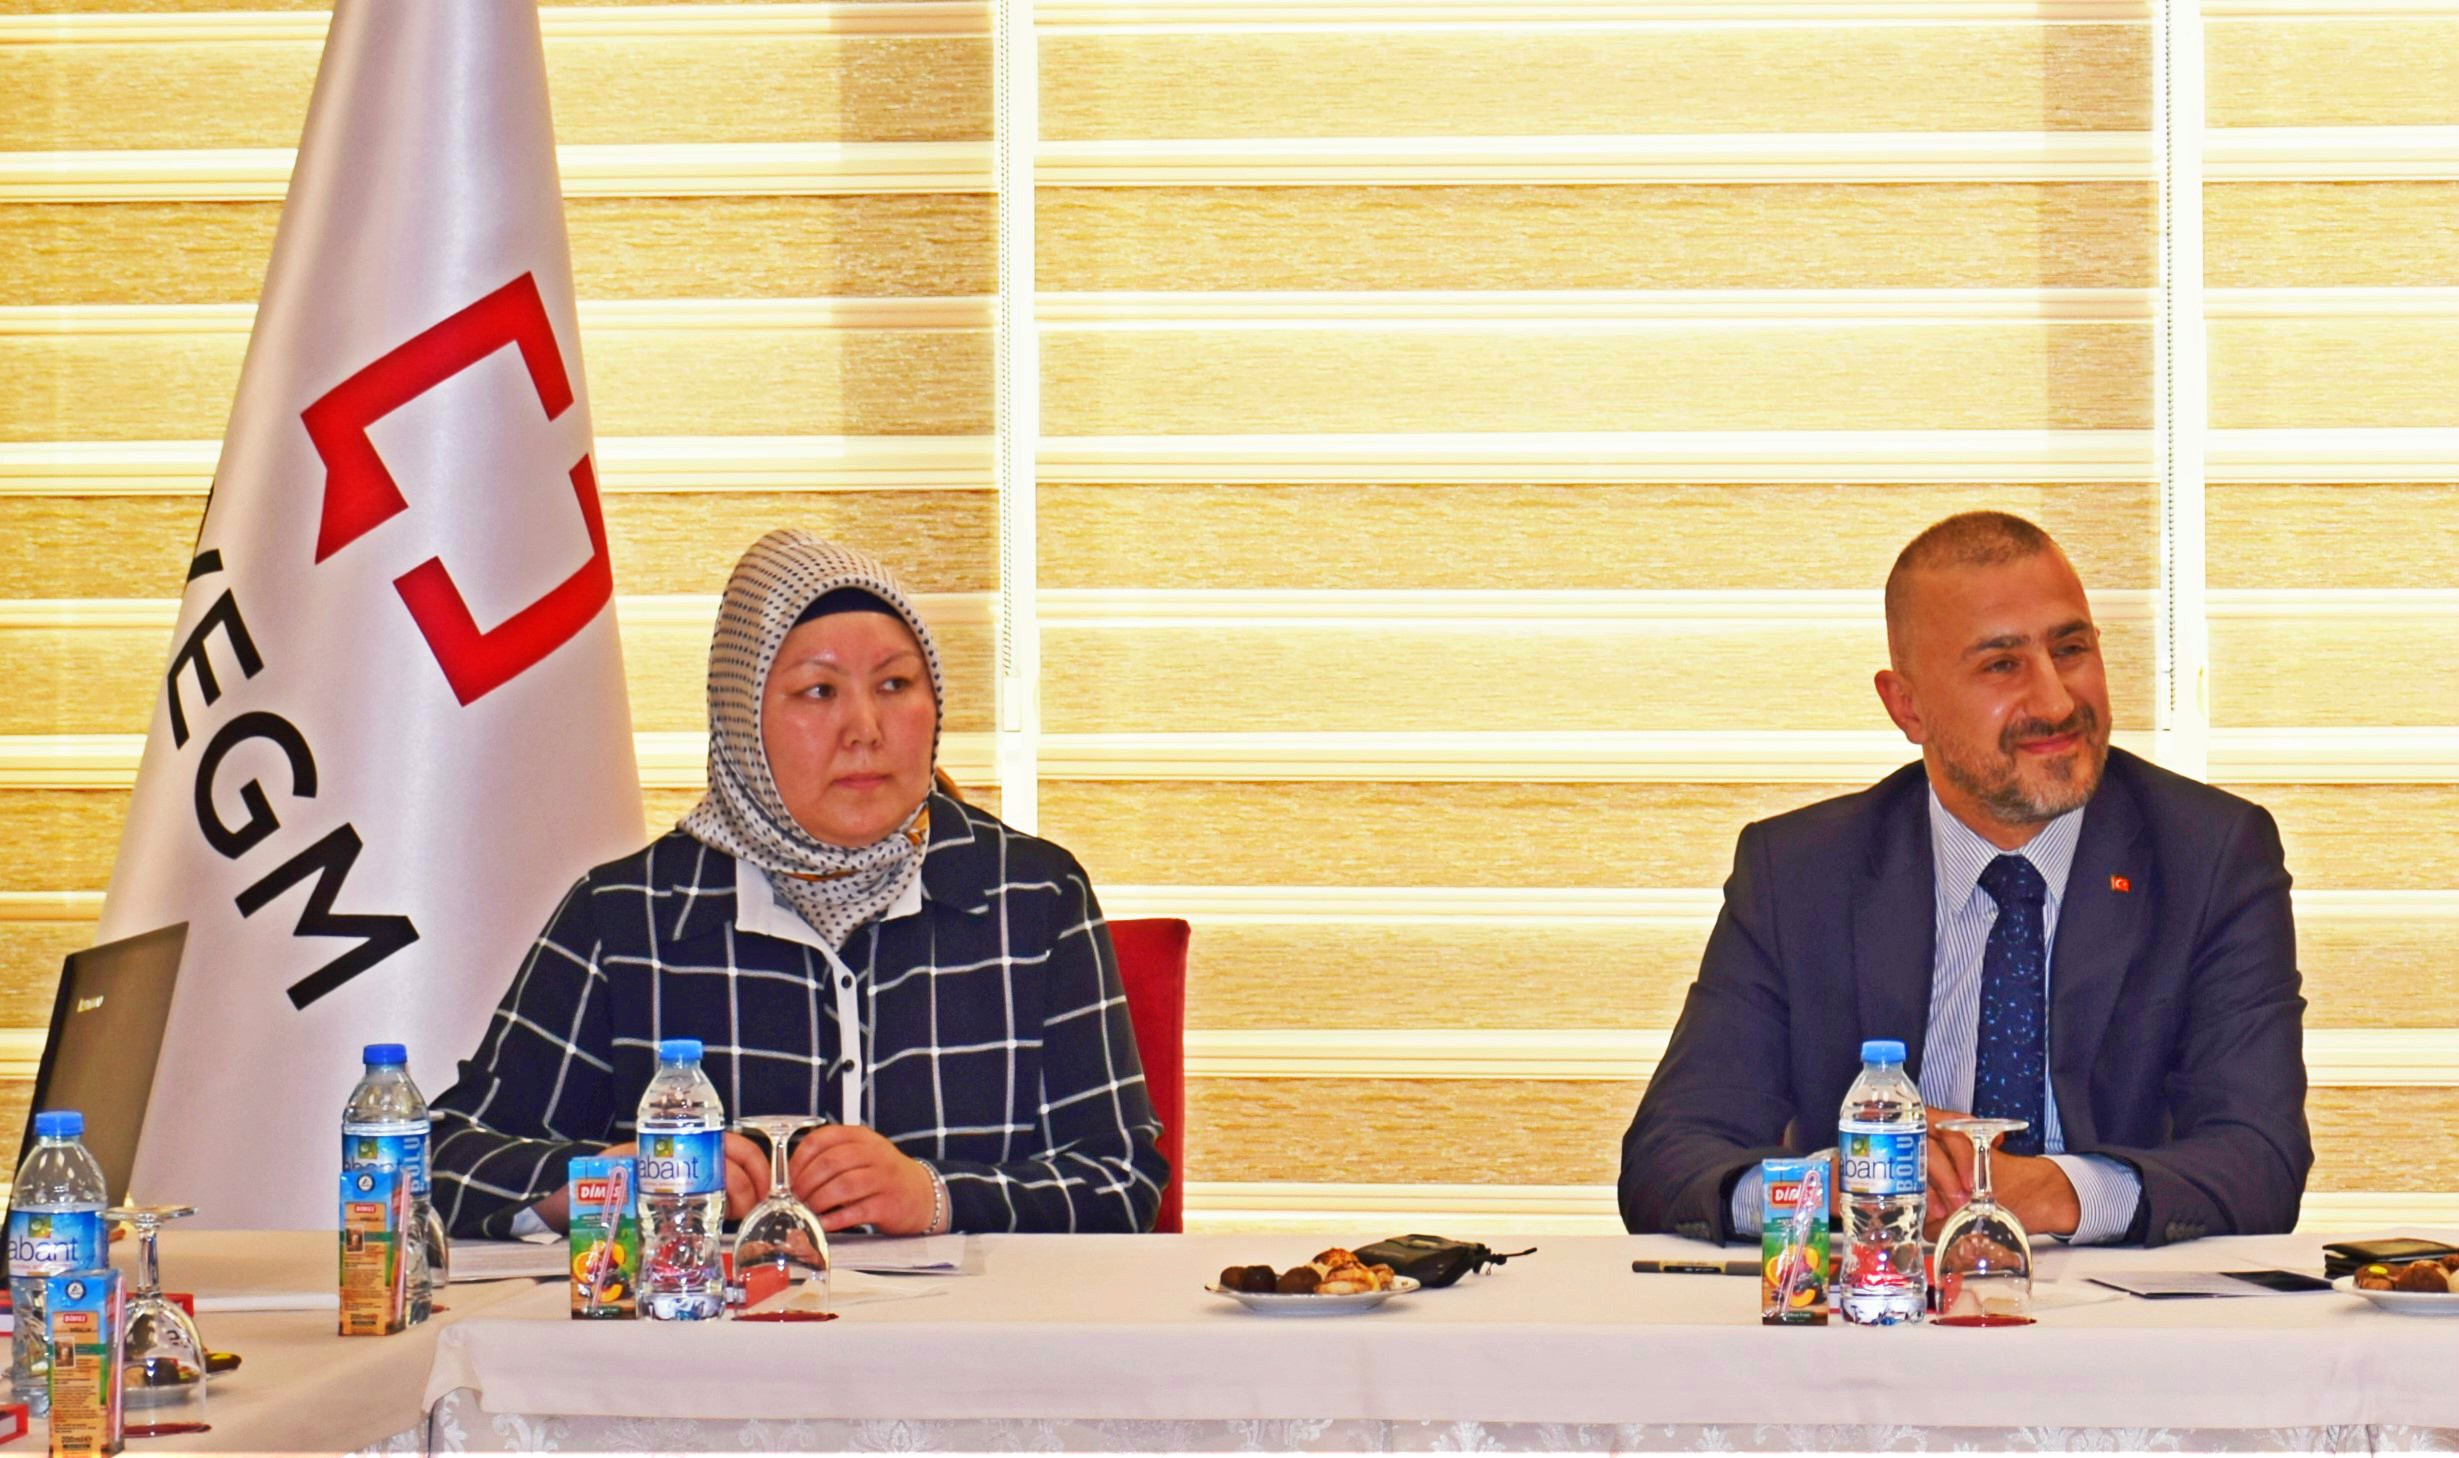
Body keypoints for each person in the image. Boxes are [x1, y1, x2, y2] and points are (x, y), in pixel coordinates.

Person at [431, 531, 1167, 1238]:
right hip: (703, 1355)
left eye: (895, 684)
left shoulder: (1029, 898)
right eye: (818, 691)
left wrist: (935, 1196)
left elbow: (1122, 1181)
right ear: (742, 720)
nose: (865, 727)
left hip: (968, 1358)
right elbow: (444, 1162)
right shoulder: (631, 916)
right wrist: (623, 1180)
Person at [1620, 511, 2310, 1247]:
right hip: (1872, 1324)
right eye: (2001, 665)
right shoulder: (1800, 872)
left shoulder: (2207, 854)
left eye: (2070, 649)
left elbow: (2258, 1160)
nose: (2054, 701)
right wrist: (1845, 1183)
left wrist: (2044, 1191)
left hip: (2118, 1332)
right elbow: (1668, 1162)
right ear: (1906, 706)